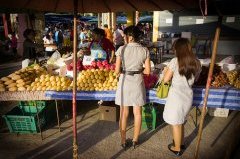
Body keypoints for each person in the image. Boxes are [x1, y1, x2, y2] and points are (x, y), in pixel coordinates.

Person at [162, 38, 201, 156]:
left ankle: (177, 148)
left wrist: (165, 71)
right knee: (181, 121)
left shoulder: (175, 61)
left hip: (176, 97)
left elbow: (165, 80)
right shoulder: (197, 62)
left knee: (175, 123)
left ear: (178, 49)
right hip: (188, 97)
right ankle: (181, 143)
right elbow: (197, 79)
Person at [115, 25, 151, 150]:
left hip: (125, 81)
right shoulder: (144, 50)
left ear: (130, 37)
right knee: (137, 113)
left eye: (125, 36)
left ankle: (123, 141)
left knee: (124, 113)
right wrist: (138, 69)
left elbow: (116, 71)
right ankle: (135, 140)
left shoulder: (121, 49)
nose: (124, 38)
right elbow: (147, 71)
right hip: (137, 81)